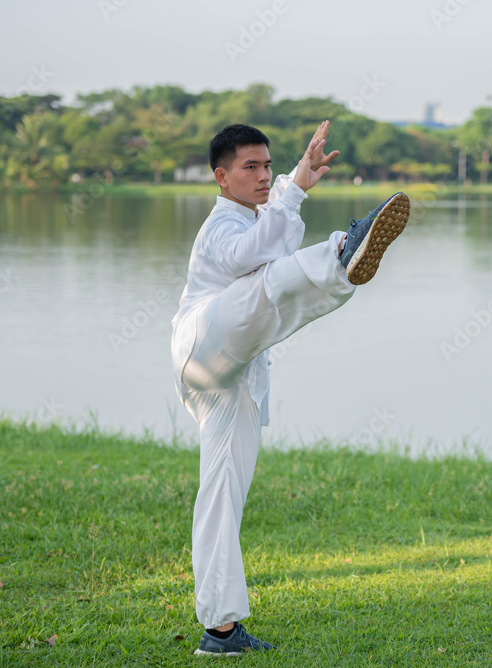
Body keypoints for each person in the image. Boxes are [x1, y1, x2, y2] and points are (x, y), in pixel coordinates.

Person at [169, 121, 409, 656]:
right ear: (221, 176)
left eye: (268, 166)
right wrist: (294, 189)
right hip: (203, 342)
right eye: (249, 167)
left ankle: (220, 630)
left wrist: (293, 182)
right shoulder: (221, 226)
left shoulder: (258, 214)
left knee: (223, 494)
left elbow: (270, 237)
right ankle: (343, 250)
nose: (261, 175)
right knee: (264, 286)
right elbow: (250, 255)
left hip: (231, 376)